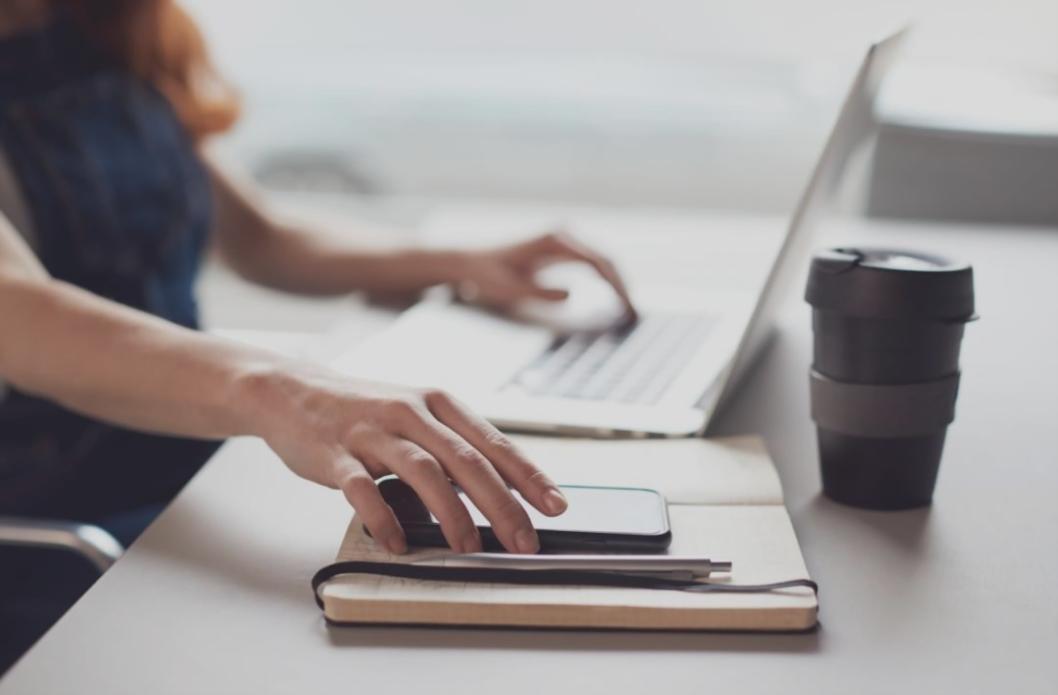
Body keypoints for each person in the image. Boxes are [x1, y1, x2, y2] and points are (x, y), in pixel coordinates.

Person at [0, 0, 635, 553]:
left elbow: (263, 238)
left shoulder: (100, 26)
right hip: (72, 526)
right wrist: (286, 394)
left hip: (194, 474)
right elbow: (23, 319)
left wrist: (458, 260)